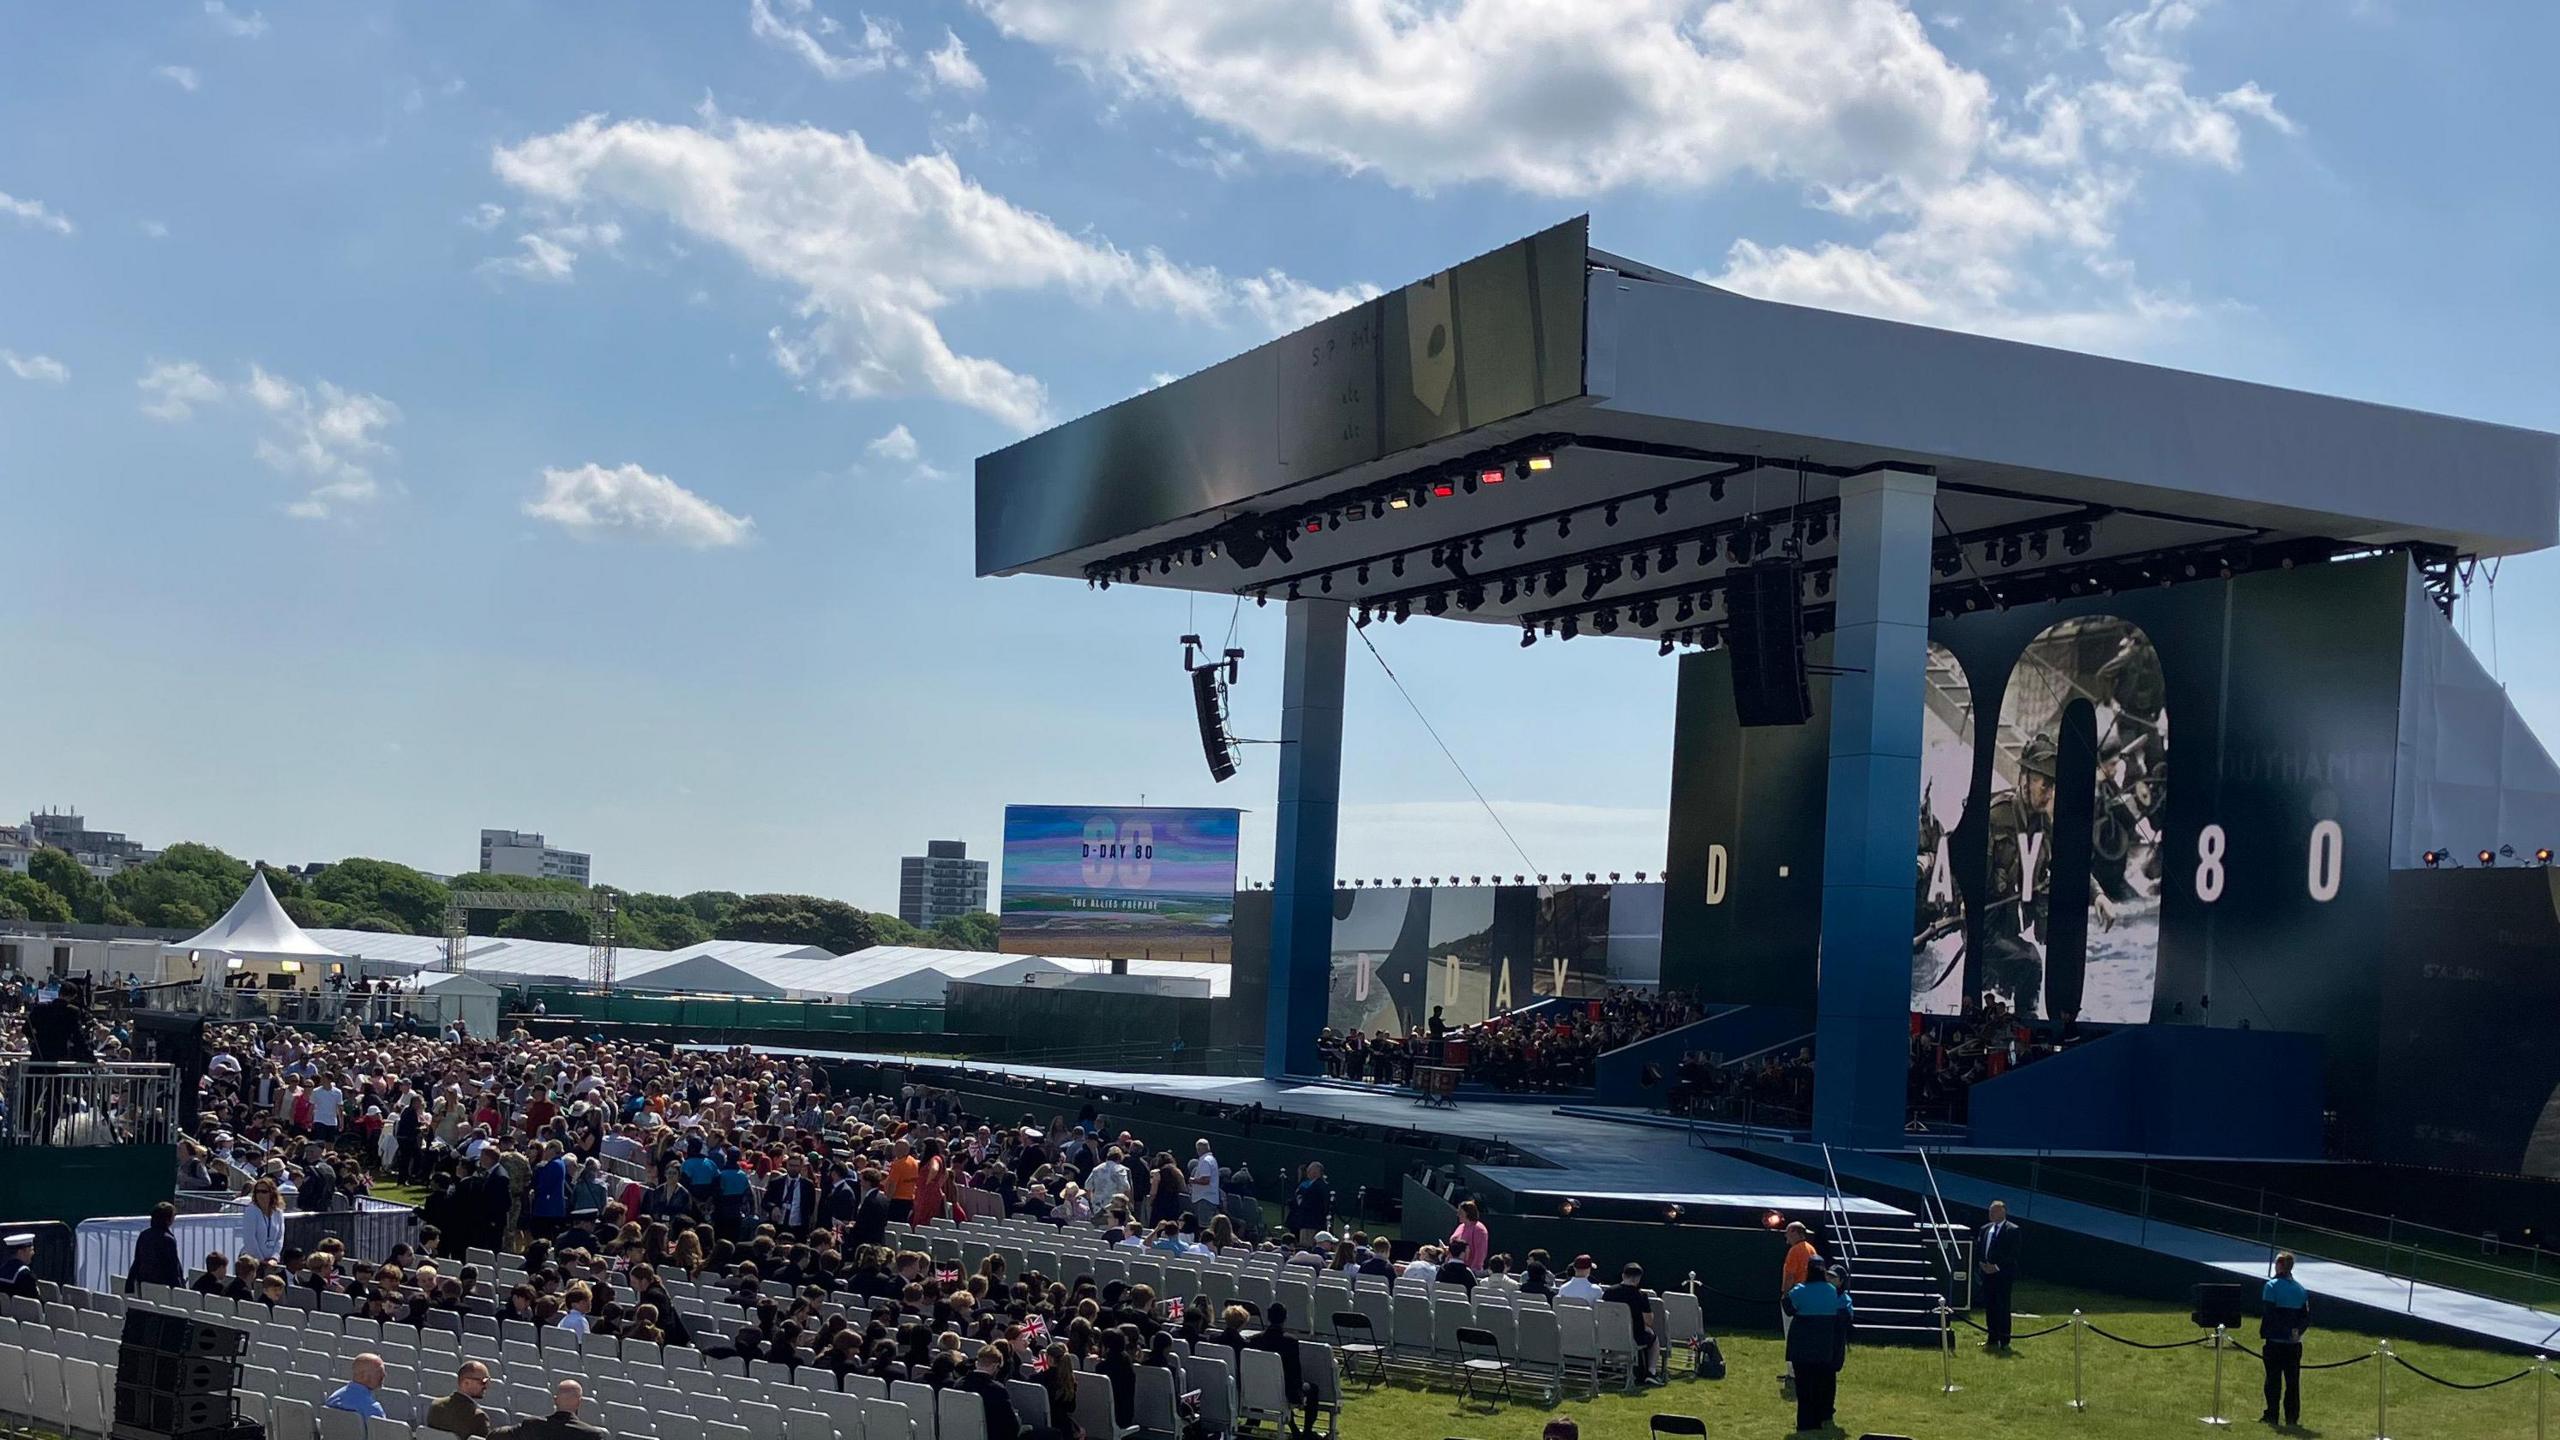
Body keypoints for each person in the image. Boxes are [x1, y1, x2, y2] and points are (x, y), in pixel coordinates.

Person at [1782, 1265, 1853, 1434]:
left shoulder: (1843, 1298)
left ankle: (1826, 1412)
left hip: (1833, 1346)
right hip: (1823, 1346)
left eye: (1833, 1277)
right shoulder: (1828, 1294)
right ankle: (1818, 1415)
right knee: (1819, 1381)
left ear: (1841, 1281)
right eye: (1828, 1275)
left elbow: (1845, 1318)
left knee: (1827, 1382)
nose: (1829, 1279)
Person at [1248, 1304, 1321, 1438]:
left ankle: (1295, 1429)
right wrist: (1299, 1393)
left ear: (1268, 1318)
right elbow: (1295, 1371)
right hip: (1283, 1391)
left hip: (1258, 1389)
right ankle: (1307, 1432)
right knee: (1312, 1389)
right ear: (1285, 1318)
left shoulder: (1255, 1340)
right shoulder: (1290, 1341)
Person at [2260, 1252, 2311, 1428]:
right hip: (2294, 1343)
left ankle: (2271, 1414)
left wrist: (2281, 1331)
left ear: (2280, 1265)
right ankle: (2292, 1417)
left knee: (2273, 1380)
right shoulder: (2300, 1289)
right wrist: (2296, 1332)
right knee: (2293, 1382)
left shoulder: (2271, 1286)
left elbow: (2270, 1314)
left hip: (2275, 1341)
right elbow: (2305, 1317)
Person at [1599, 1263, 1661, 1385]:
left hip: (1608, 1334)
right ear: (1638, 1279)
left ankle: (1615, 1367)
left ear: (1623, 1276)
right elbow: (1649, 1321)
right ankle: (1651, 1372)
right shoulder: (1640, 1295)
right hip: (1633, 1337)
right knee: (1654, 1339)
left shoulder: (1608, 1293)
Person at [1778, 1221, 1819, 1390]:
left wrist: (1785, 1295)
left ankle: (1793, 1372)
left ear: (1795, 1232)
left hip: (1795, 1296)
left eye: (1788, 1232)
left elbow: (1790, 1276)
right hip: (1808, 1297)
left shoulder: (1795, 1250)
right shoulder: (1811, 1249)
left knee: (1791, 1334)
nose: (1786, 1236)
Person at [1977, 1199, 2022, 1350]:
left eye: (1994, 1211)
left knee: (2002, 1306)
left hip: (2003, 1275)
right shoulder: (1985, 1229)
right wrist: (1983, 1264)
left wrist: (1996, 1267)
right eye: (1990, 1211)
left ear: (2002, 1212)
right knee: (1990, 1306)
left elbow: (2013, 1254)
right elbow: (1981, 1248)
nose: (1991, 1214)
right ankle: (1992, 1337)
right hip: (1987, 1275)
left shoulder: (2012, 1230)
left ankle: (2004, 1340)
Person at [499, 1379, 604, 1440]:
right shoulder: (592, 1435)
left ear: (555, 1400)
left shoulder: (531, 1424)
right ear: (580, 1402)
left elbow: (498, 1434)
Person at [961, 1343, 1022, 1440]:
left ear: (977, 1364)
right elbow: (1012, 1425)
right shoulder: (997, 1390)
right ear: (995, 1366)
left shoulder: (959, 1384)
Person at [427, 1361, 495, 1439]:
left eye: (488, 1381)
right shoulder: (478, 1417)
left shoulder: (435, 1405)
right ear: (466, 1383)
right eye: (483, 1382)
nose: (487, 1386)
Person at [127, 1202, 184, 1294]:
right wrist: (180, 1291)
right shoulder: (168, 1239)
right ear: (168, 1219)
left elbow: (137, 1261)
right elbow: (172, 1269)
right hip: (163, 1289)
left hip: (145, 1285)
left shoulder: (144, 1235)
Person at [324, 1354, 390, 1419]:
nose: (384, 1375)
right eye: (379, 1371)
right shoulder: (372, 1408)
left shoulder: (332, 1399)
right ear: (363, 1375)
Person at [241, 1177, 288, 1263]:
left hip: (271, 1262)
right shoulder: (251, 1210)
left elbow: (279, 1238)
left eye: (264, 1192)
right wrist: (260, 1259)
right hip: (253, 1261)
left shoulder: (278, 1212)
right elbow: (249, 1238)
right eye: (257, 1192)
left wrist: (275, 1257)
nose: (260, 1195)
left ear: (272, 1193)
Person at [1285, 1162, 1331, 1245]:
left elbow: (1316, 1205)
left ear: (1315, 1172)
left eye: (1309, 1170)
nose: (1307, 1173)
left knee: (1306, 1245)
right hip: (1312, 1222)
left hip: (1310, 1223)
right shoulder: (1318, 1185)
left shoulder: (1317, 1186)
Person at [1447, 1199, 1490, 1272]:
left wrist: (1473, 1270)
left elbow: (1480, 1253)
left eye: (1460, 1212)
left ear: (1468, 1213)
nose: (1458, 1215)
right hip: (1453, 1267)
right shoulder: (1460, 1226)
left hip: (1468, 1270)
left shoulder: (1479, 1229)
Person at [0, 1233, 39, 1298]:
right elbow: (34, 1303)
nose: (33, 1253)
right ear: (20, 1252)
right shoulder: (26, 1275)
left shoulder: (2, 1270)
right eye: (31, 1250)